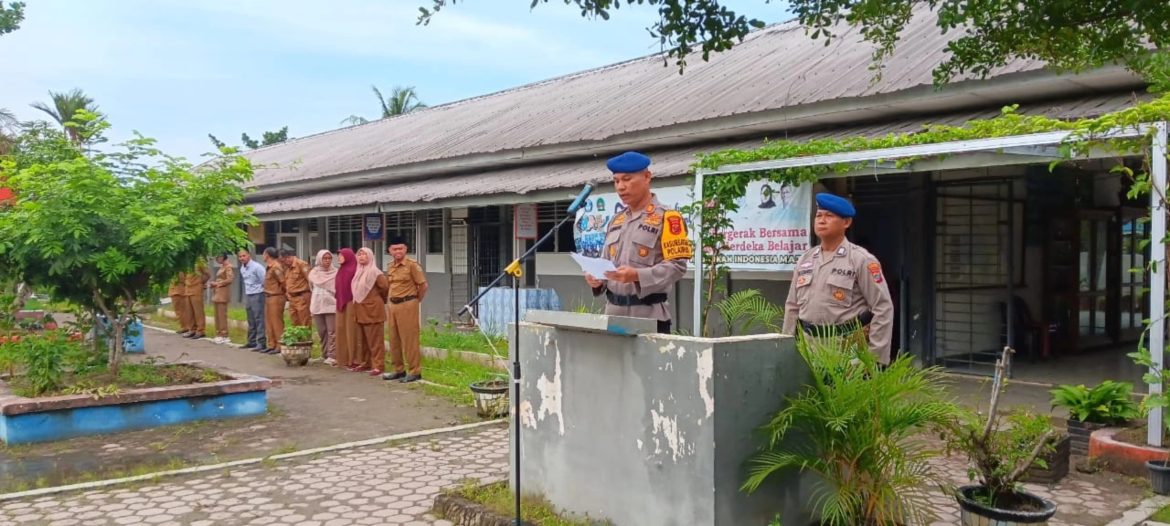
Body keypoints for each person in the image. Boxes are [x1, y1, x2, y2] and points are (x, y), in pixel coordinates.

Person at [585, 151, 692, 334]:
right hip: (613, 316)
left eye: (627, 179)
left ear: (647, 177)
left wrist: (637, 275)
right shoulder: (616, 220)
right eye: (616, 181)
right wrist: (597, 279)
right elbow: (606, 264)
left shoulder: (667, 217)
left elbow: (677, 267)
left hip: (649, 318)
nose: (620, 187)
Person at [781, 192, 895, 364]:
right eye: (818, 215)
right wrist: (786, 345)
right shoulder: (805, 260)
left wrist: (875, 358)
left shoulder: (861, 260)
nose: (821, 220)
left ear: (846, 222)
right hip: (807, 346)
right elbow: (792, 306)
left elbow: (882, 307)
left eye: (829, 216)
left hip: (846, 348)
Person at [382, 237, 428, 383]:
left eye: (400, 248)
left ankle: (415, 371)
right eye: (394, 249)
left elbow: (423, 285)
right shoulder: (390, 266)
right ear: (390, 251)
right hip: (393, 306)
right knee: (394, 339)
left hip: (408, 304)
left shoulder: (412, 265)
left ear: (406, 249)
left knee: (409, 339)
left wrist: (415, 300)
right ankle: (398, 370)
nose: (398, 252)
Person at [349, 247, 388, 375]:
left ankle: (378, 365)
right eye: (359, 254)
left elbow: (385, 289)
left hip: (373, 310)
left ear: (370, 256)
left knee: (375, 340)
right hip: (360, 309)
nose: (361, 257)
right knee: (363, 340)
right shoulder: (358, 272)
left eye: (364, 254)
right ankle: (365, 363)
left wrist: (377, 300)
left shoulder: (376, 273)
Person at [308, 250, 338, 365]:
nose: (327, 261)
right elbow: (311, 287)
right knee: (322, 331)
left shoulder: (335, 272)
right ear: (319, 259)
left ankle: (333, 355)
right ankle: (324, 354)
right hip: (317, 304)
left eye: (329, 258)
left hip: (331, 305)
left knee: (332, 331)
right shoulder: (313, 273)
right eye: (324, 258)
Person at [238, 249, 267, 351]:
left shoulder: (257, 267)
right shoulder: (242, 268)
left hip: (258, 294)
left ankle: (261, 342)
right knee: (250, 319)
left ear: (249, 256)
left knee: (259, 318)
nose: (242, 258)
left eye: (244, 256)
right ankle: (251, 341)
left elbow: (264, 281)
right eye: (240, 256)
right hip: (248, 294)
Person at [334, 248, 358, 369]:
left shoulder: (353, 270)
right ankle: (341, 358)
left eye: (341, 255)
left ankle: (352, 359)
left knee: (350, 331)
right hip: (340, 303)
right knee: (340, 329)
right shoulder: (341, 270)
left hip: (350, 303)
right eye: (338, 256)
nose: (339, 258)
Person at [261, 247, 287, 355]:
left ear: (267, 255)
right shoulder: (269, 267)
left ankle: (280, 345)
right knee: (269, 321)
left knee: (276, 322)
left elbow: (283, 282)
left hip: (276, 296)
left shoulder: (276, 267)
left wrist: (282, 293)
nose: (263, 256)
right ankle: (271, 344)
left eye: (263, 253)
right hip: (268, 296)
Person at [280, 249, 313, 327]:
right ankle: (298, 339)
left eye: (283, 261)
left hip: (302, 297)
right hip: (292, 299)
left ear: (288, 257)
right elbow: (288, 282)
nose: (283, 263)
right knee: (294, 323)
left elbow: (310, 281)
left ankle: (306, 339)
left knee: (304, 322)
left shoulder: (301, 264)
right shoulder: (287, 267)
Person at [209, 254, 235, 344]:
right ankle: (218, 333)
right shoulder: (222, 267)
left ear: (223, 257)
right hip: (217, 293)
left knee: (222, 315)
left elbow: (230, 279)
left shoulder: (228, 267)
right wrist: (215, 283)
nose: (217, 259)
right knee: (217, 315)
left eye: (218, 257)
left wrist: (218, 283)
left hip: (223, 293)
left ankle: (224, 334)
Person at [182, 260, 211, 339]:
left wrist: (200, 282)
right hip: (188, 289)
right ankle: (192, 329)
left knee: (198, 311)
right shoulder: (186, 261)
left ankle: (200, 330)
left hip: (196, 289)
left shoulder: (199, 261)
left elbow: (207, 274)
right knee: (189, 311)